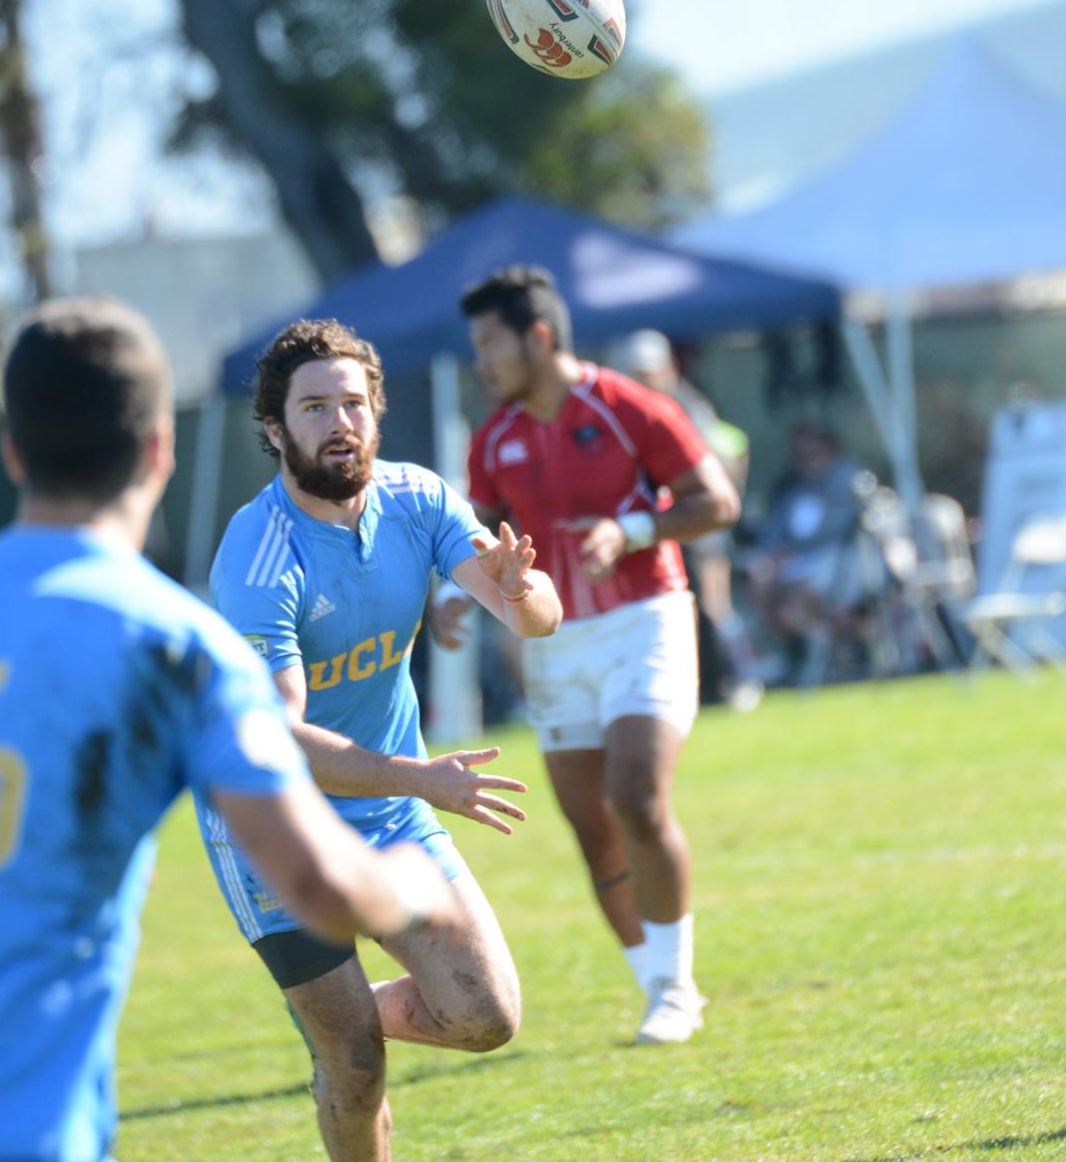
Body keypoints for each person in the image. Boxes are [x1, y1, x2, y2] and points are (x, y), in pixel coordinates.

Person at [0, 298, 464, 1161]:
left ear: (13, 451)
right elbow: (316, 885)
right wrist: (411, 886)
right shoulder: (177, 649)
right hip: (38, 1133)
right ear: (160, 448)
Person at [206, 318, 559, 1156]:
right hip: (274, 827)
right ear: (275, 429)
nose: (341, 423)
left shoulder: (418, 498)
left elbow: (535, 617)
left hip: (391, 810)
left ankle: (338, 1015)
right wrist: (423, 778)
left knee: (485, 1016)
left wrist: (523, 589)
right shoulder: (260, 556)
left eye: (355, 404)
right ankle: (339, 1029)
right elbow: (281, 739)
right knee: (357, 1063)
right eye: (316, 407)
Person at [448, 265, 742, 1045]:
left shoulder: (628, 406)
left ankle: (677, 988)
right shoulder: (495, 437)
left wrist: (635, 528)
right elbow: (469, 538)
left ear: (538, 337)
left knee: (637, 798)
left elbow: (718, 501)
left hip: (644, 620)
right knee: (591, 826)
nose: (479, 360)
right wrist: (451, 597)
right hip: (553, 644)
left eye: (488, 343)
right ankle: (658, 986)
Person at [609, 330, 762, 711]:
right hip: (664, 529)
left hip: (700, 528)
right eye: (635, 373)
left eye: (648, 372)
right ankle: (706, 687)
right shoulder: (633, 414)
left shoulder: (689, 408)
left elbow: (723, 469)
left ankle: (744, 677)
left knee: (715, 607)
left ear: (668, 369)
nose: (642, 381)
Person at [744, 424, 870, 685]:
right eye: (802, 454)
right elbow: (776, 530)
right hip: (794, 563)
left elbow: (845, 526)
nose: (809, 459)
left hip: (837, 563)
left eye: (814, 451)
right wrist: (775, 554)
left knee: (798, 602)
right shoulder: (794, 488)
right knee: (759, 578)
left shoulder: (849, 480)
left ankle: (825, 649)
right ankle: (784, 652)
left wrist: (796, 553)